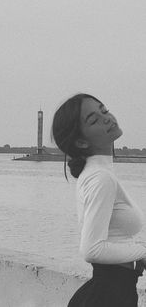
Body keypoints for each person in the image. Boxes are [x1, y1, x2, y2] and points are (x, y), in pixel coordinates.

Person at [51, 93, 146, 307]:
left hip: (114, 289)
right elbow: (91, 249)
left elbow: (110, 239)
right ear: (81, 141)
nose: (107, 118)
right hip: (109, 295)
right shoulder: (101, 178)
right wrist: (142, 251)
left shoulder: (97, 173)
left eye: (104, 110)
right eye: (93, 120)